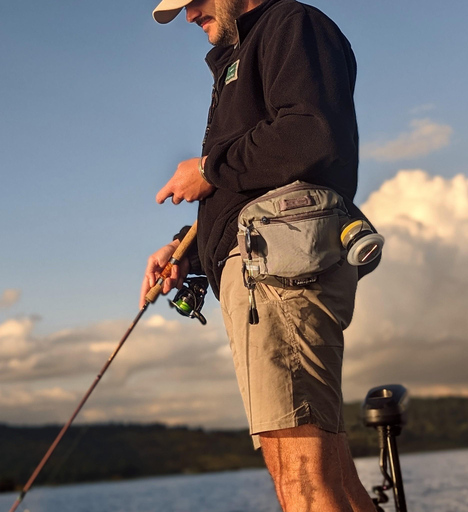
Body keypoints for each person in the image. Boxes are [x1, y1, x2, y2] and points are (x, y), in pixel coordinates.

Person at [140, 0, 379, 510]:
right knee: (326, 471)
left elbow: (312, 134)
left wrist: (208, 166)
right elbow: (249, 182)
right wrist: (191, 251)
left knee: (303, 480)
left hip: (277, 274)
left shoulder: (290, 24)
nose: (187, 16)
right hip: (263, 267)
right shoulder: (240, 51)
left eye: (192, 1)